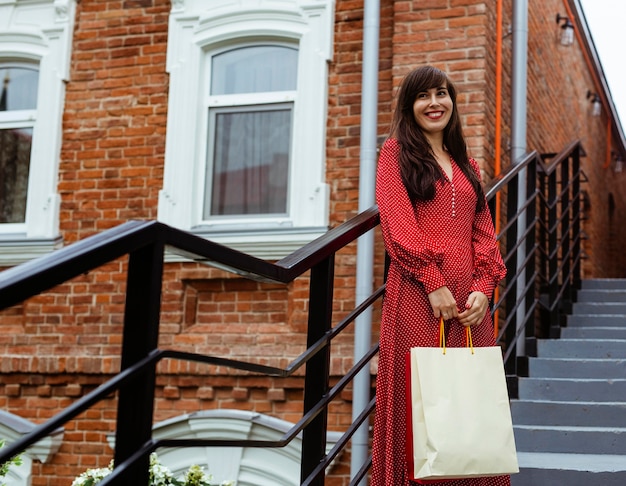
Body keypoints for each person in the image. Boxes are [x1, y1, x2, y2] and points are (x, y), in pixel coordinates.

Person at [371, 65, 509, 486]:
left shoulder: (467, 163)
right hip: (416, 299)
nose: (434, 103)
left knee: (471, 407)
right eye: (423, 96)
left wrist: (485, 289)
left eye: (441, 94)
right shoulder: (394, 153)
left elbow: (483, 231)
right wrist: (433, 282)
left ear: (452, 101)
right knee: (420, 406)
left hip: (470, 307)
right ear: (409, 107)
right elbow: (397, 223)